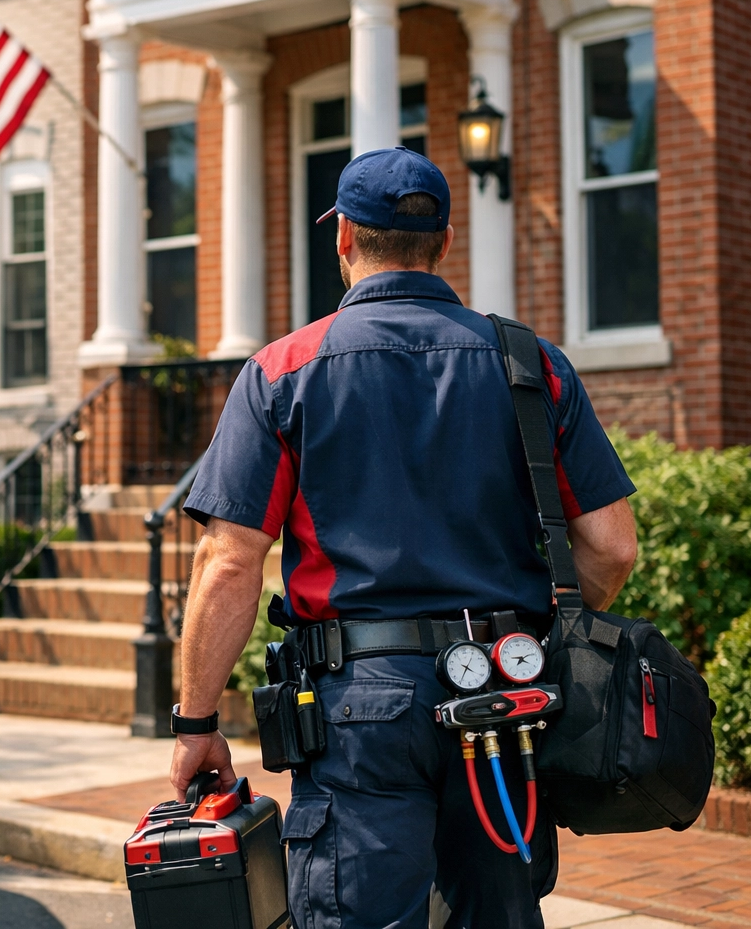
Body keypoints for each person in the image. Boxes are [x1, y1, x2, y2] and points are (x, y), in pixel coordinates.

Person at [169, 146, 639, 929]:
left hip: (361, 707)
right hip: (503, 693)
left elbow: (229, 562)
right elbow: (613, 548)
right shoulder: (531, 364)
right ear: (445, 242)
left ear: (345, 236)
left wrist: (195, 724)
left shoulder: (284, 370)